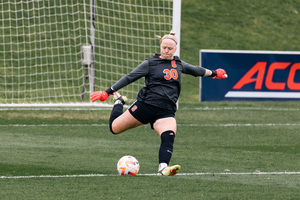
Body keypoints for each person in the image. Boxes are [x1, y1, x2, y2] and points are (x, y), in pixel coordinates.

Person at [90, 31, 227, 176]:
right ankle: (119, 102)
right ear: (160, 46)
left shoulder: (178, 64)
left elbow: (196, 70)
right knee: (114, 128)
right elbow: (129, 77)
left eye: (170, 49)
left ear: (175, 50)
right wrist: (108, 91)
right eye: (164, 48)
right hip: (145, 107)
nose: (166, 51)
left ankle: (163, 168)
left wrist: (214, 73)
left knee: (169, 135)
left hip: (166, 111)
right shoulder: (150, 63)